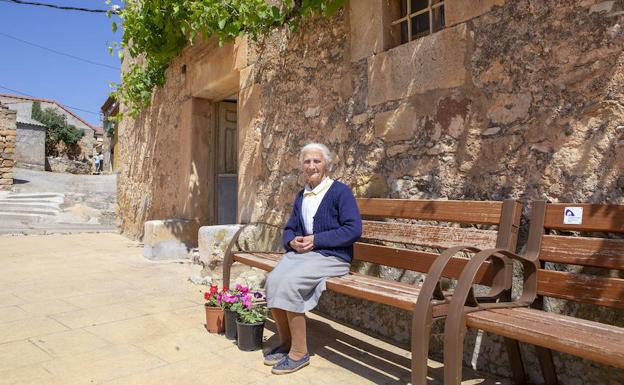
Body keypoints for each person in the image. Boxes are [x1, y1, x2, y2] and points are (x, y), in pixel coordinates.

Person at [264, 143, 362, 374]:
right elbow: (290, 228)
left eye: (317, 161)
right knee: (272, 280)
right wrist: (292, 242)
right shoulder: (302, 195)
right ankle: (287, 343)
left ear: (326, 164)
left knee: (289, 284)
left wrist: (316, 240)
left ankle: (299, 353)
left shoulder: (340, 192)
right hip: (305, 255)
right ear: (302, 167)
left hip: (333, 256)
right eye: (307, 162)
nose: (311, 166)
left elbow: (353, 230)